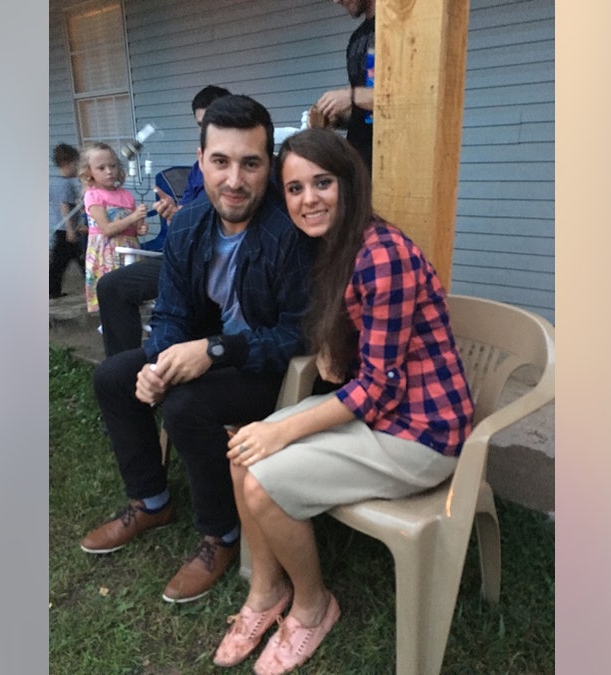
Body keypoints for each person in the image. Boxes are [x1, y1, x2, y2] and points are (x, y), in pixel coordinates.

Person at [210, 128, 473, 674]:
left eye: (322, 182)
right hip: (381, 418)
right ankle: (265, 592)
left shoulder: (382, 255)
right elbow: (349, 365)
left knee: (263, 476)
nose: (309, 199)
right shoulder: (337, 250)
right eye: (295, 188)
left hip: (420, 434)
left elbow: (379, 386)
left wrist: (284, 430)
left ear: (350, 183)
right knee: (244, 453)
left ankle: (312, 605)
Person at [83, 95, 315, 605]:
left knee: (188, 406)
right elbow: (171, 313)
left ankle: (221, 535)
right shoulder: (189, 225)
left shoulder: (288, 232)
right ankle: (151, 500)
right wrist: (160, 362)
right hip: (212, 353)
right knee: (115, 378)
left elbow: (295, 337)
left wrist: (211, 351)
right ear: (200, 160)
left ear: (268, 167)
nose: (234, 180)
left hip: (266, 368)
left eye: (250, 163)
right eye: (221, 161)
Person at [94, 84, 232, 355]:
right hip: (181, 256)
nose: (207, 132)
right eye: (201, 125)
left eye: (214, 123)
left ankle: (171, 360)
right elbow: (188, 212)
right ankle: (127, 364)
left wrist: (188, 219)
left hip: (217, 259)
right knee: (111, 286)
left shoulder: (241, 165)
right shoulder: (198, 166)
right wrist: (175, 214)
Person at [79, 142, 149, 315]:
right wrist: (133, 217)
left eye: (112, 166)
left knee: (130, 295)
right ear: (89, 172)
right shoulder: (93, 195)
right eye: (101, 168)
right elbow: (107, 229)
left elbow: (132, 227)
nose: (109, 171)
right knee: (113, 298)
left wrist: (139, 227)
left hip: (129, 249)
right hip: (107, 253)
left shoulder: (126, 195)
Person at [314, 0, 376, 171]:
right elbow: (369, 116)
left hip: (393, 166)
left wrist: (351, 96)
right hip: (359, 167)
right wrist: (336, 119)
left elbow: (407, 98)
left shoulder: (400, 29)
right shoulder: (357, 39)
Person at [48, 143, 85, 298]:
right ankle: (51, 290)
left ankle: (52, 290)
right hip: (66, 229)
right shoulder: (66, 184)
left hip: (60, 227)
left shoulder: (55, 182)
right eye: (76, 164)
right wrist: (71, 230)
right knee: (61, 262)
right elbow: (64, 206)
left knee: (71, 259)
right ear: (66, 163)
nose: (77, 168)